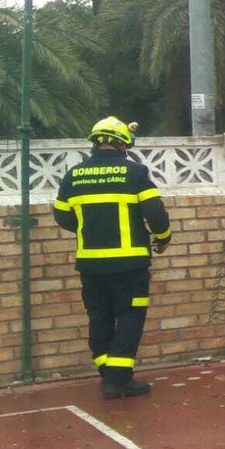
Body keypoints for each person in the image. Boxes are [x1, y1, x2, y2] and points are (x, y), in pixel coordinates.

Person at [52, 117, 173, 399]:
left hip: (90, 263)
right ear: (123, 144)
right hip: (130, 264)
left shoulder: (74, 175)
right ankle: (118, 379)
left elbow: (62, 215)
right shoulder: (135, 173)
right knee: (130, 316)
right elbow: (155, 213)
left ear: (95, 142)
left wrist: (88, 228)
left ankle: (107, 372)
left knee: (99, 315)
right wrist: (163, 237)